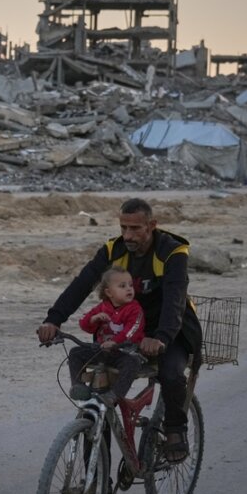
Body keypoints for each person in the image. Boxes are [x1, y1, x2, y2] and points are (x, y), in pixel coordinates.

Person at [38, 198, 203, 463]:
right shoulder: (113, 250)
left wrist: (160, 337)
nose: (128, 235)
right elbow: (82, 283)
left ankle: (175, 431)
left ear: (152, 226)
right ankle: (95, 461)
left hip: (170, 329)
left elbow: (175, 300)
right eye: (123, 227)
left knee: (171, 373)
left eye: (135, 229)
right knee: (97, 384)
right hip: (122, 330)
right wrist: (54, 320)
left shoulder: (171, 252)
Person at [66, 267, 145, 405]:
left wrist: (115, 342)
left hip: (124, 352)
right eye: (122, 286)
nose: (129, 289)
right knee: (75, 353)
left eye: (130, 285)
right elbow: (85, 325)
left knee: (133, 363)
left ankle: (114, 395)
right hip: (102, 350)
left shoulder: (135, 308)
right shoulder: (103, 307)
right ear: (109, 292)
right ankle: (78, 386)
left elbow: (133, 330)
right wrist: (93, 319)